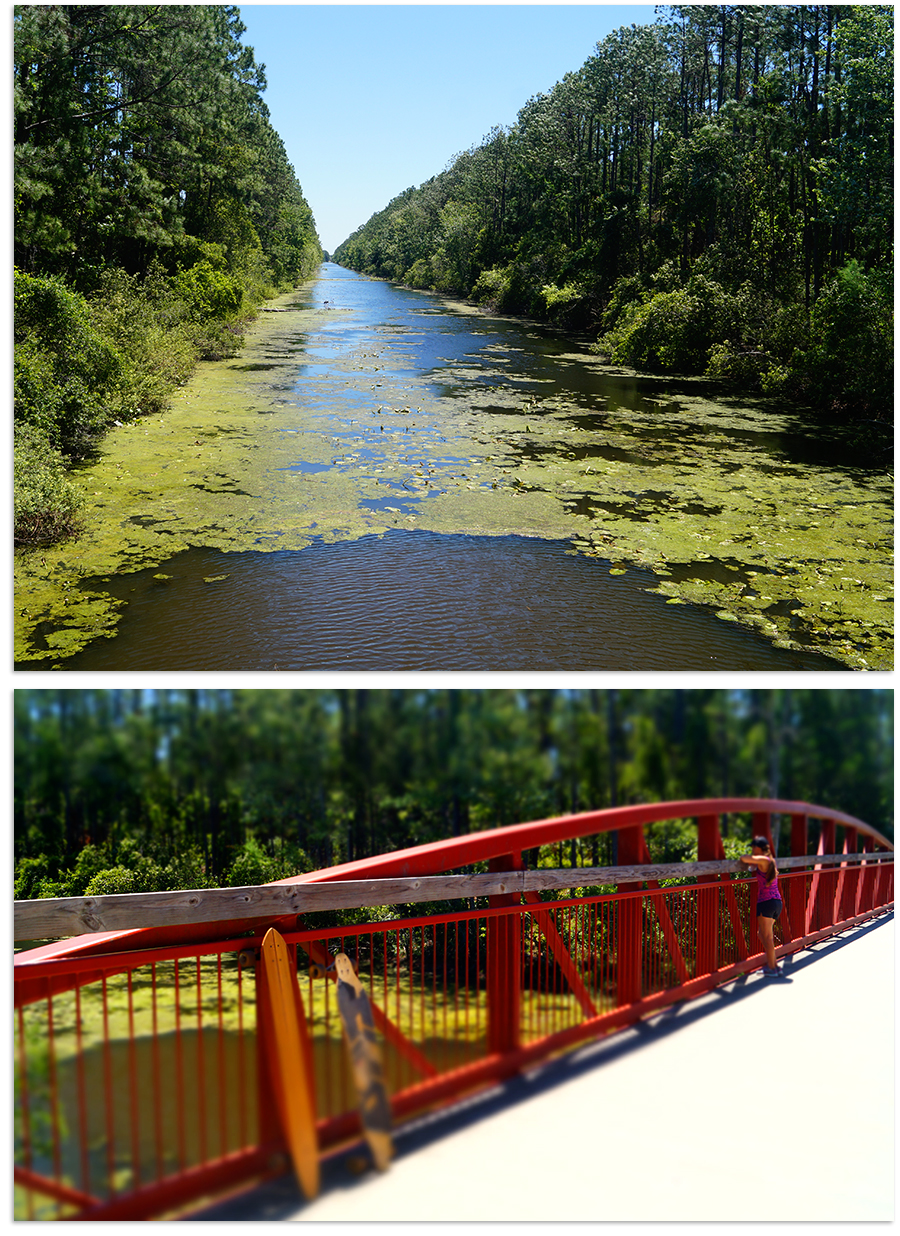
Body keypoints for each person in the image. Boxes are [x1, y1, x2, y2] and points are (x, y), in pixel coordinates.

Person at [740, 836, 786, 977]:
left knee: (766, 937)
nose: (753, 849)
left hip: (766, 902)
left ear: (759, 848)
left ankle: (772, 968)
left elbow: (744, 858)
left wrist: (750, 858)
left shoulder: (762, 859)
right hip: (776, 902)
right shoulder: (770, 861)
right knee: (764, 935)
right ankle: (774, 966)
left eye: (754, 847)